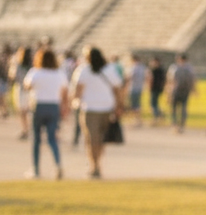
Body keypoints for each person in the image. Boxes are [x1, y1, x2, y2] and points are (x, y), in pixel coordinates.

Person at [71, 45, 123, 179]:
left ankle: (94, 164)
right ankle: (96, 164)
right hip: (106, 107)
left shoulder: (84, 70)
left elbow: (78, 91)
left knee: (92, 139)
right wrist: (118, 106)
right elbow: (117, 89)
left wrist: (74, 102)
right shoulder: (109, 69)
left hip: (90, 108)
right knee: (99, 139)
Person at [22, 48, 69, 179]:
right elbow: (65, 93)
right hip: (54, 106)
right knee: (52, 138)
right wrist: (65, 108)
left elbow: (27, 86)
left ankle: (36, 169)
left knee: (36, 139)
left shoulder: (35, 72)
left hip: (39, 106)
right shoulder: (59, 74)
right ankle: (58, 165)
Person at [166, 53, 197, 133]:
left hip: (179, 90)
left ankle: (177, 125)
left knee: (177, 108)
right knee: (178, 108)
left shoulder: (175, 68)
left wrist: (168, 91)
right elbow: (192, 80)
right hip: (182, 90)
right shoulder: (188, 68)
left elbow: (170, 80)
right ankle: (178, 125)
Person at [10, 45, 33, 140]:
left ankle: (25, 130)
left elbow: (14, 77)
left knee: (22, 112)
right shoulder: (33, 65)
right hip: (31, 90)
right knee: (29, 111)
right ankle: (29, 129)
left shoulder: (19, 65)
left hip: (22, 89)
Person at [126, 54, 147, 126]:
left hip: (133, 87)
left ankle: (136, 120)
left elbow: (130, 77)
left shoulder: (134, 67)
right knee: (138, 104)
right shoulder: (142, 67)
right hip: (140, 87)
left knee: (134, 104)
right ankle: (139, 119)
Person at [148, 56, 166, 124]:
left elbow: (151, 80)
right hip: (159, 89)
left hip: (155, 89)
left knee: (153, 103)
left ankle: (156, 117)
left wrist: (150, 87)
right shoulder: (161, 70)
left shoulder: (154, 70)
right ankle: (160, 115)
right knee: (155, 103)